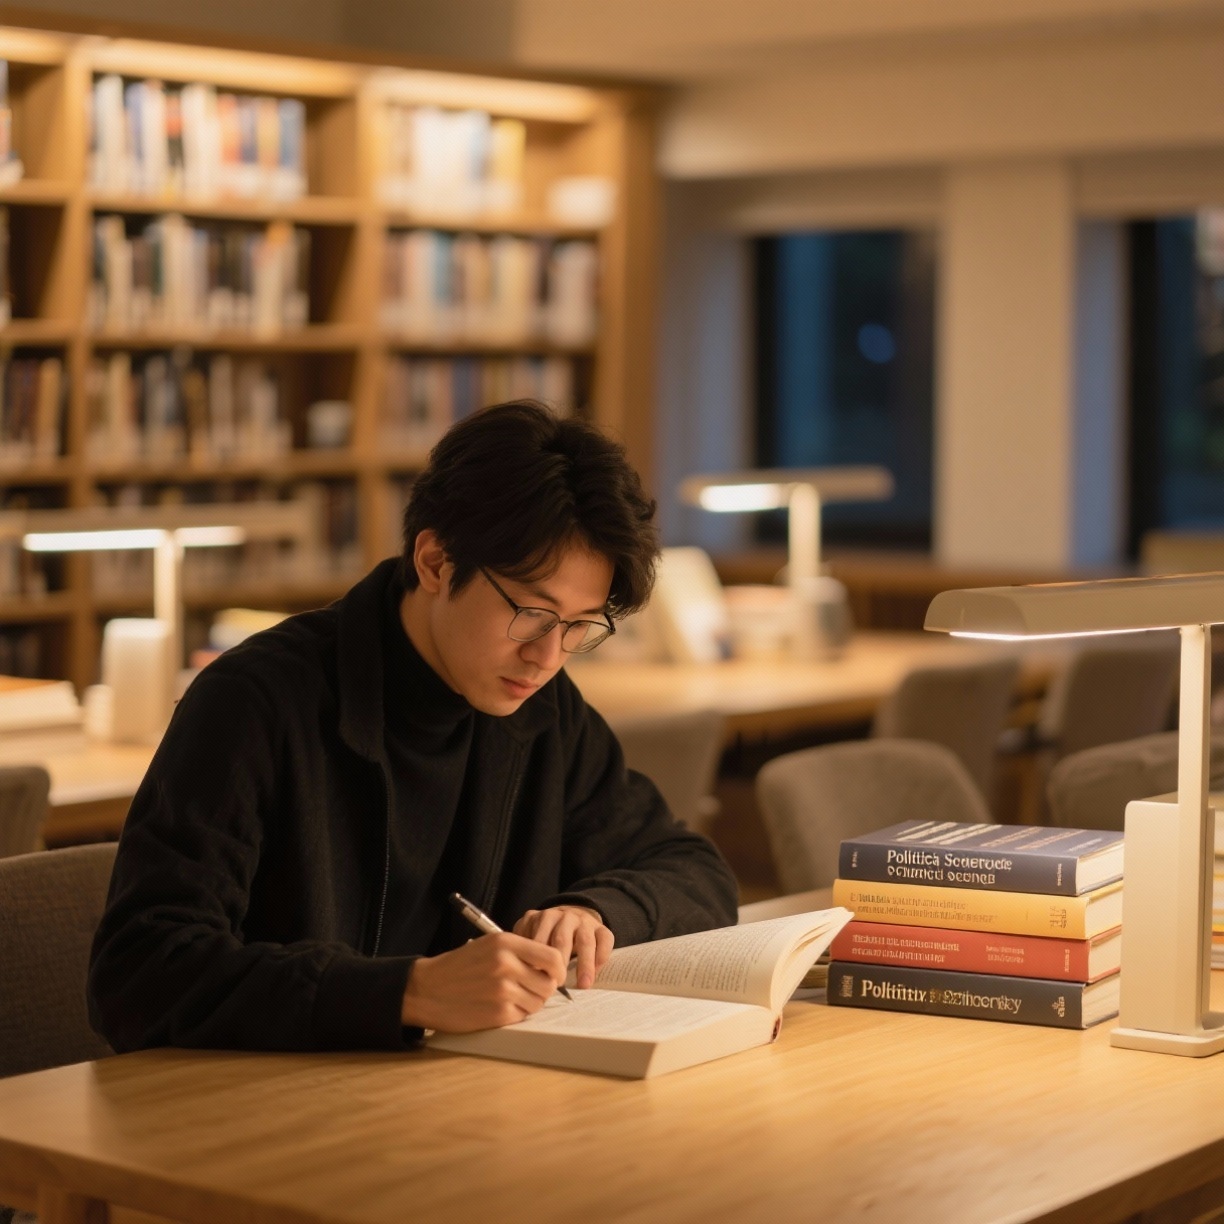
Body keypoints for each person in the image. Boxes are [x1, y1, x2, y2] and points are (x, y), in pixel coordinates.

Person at [88, 400, 738, 1052]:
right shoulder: (256, 701)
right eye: (533, 613)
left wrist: (597, 911)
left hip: (462, 1105)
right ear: (435, 562)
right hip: (274, 1112)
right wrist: (408, 993)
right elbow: (139, 973)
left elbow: (694, 872)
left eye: (580, 626)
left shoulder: (544, 709)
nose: (547, 656)